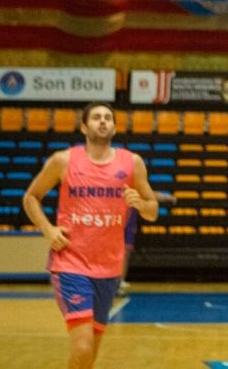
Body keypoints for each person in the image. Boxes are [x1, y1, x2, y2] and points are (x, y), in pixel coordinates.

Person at [22, 102, 161, 369]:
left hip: (108, 269)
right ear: (84, 127)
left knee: (89, 355)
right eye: (96, 117)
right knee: (83, 346)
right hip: (70, 264)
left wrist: (141, 204)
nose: (103, 121)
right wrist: (47, 229)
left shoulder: (132, 163)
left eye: (108, 117)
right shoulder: (64, 160)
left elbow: (152, 210)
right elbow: (31, 197)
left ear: (115, 127)